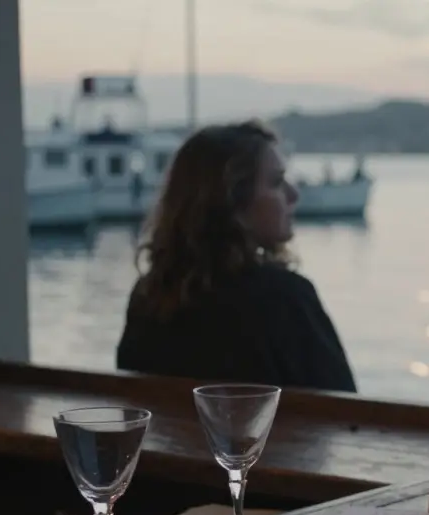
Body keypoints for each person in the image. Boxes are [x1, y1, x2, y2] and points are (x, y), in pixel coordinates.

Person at [116, 121, 357, 393]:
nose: (293, 195)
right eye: (276, 182)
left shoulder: (149, 296)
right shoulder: (285, 299)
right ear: (233, 202)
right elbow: (348, 408)